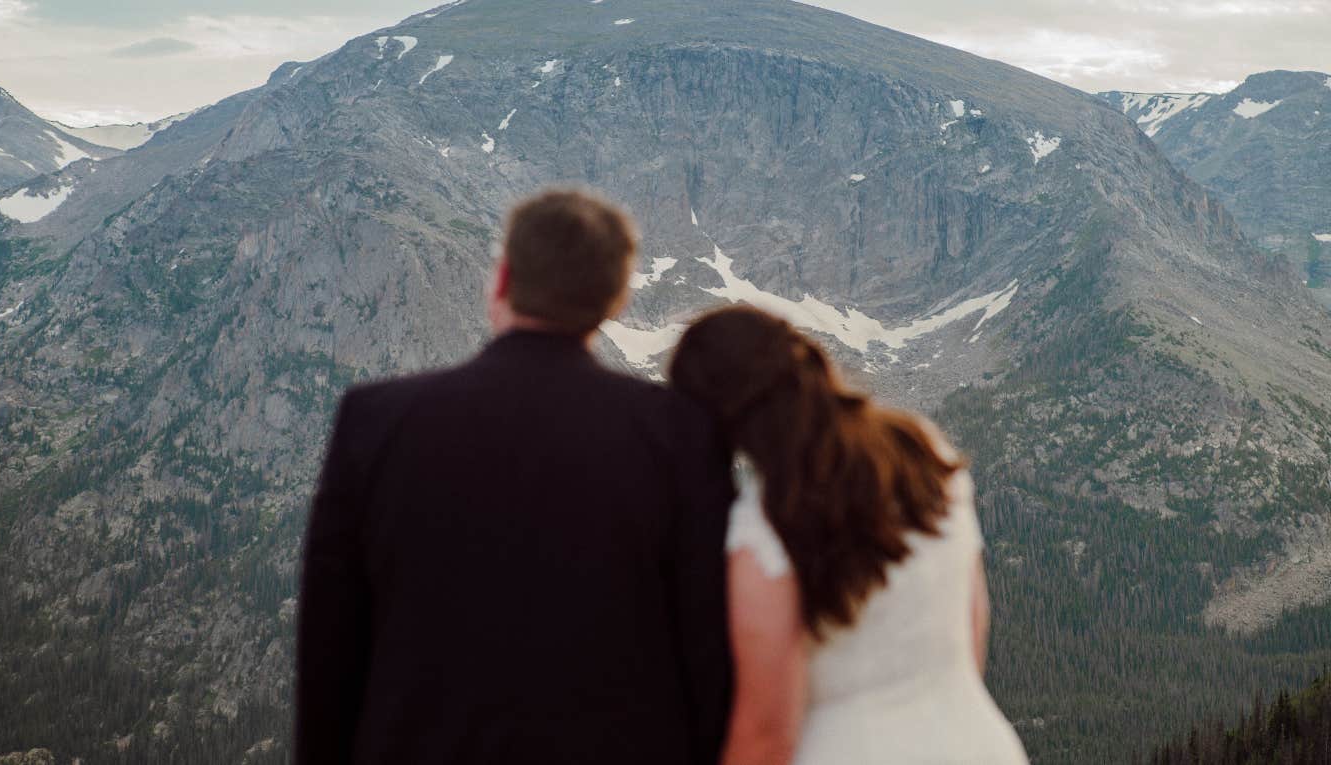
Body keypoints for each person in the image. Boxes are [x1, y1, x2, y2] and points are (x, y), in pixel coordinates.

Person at [295, 189, 736, 764]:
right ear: (617, 299)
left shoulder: (375, 420)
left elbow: (329, 654)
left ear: (501, 280)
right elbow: (710, 656)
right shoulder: (681, 435)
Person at [669, 306, 1028, 765]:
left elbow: (766, 735)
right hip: (979, 744)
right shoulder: (922, 449)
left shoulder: (765, 530)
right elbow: (972, 623)